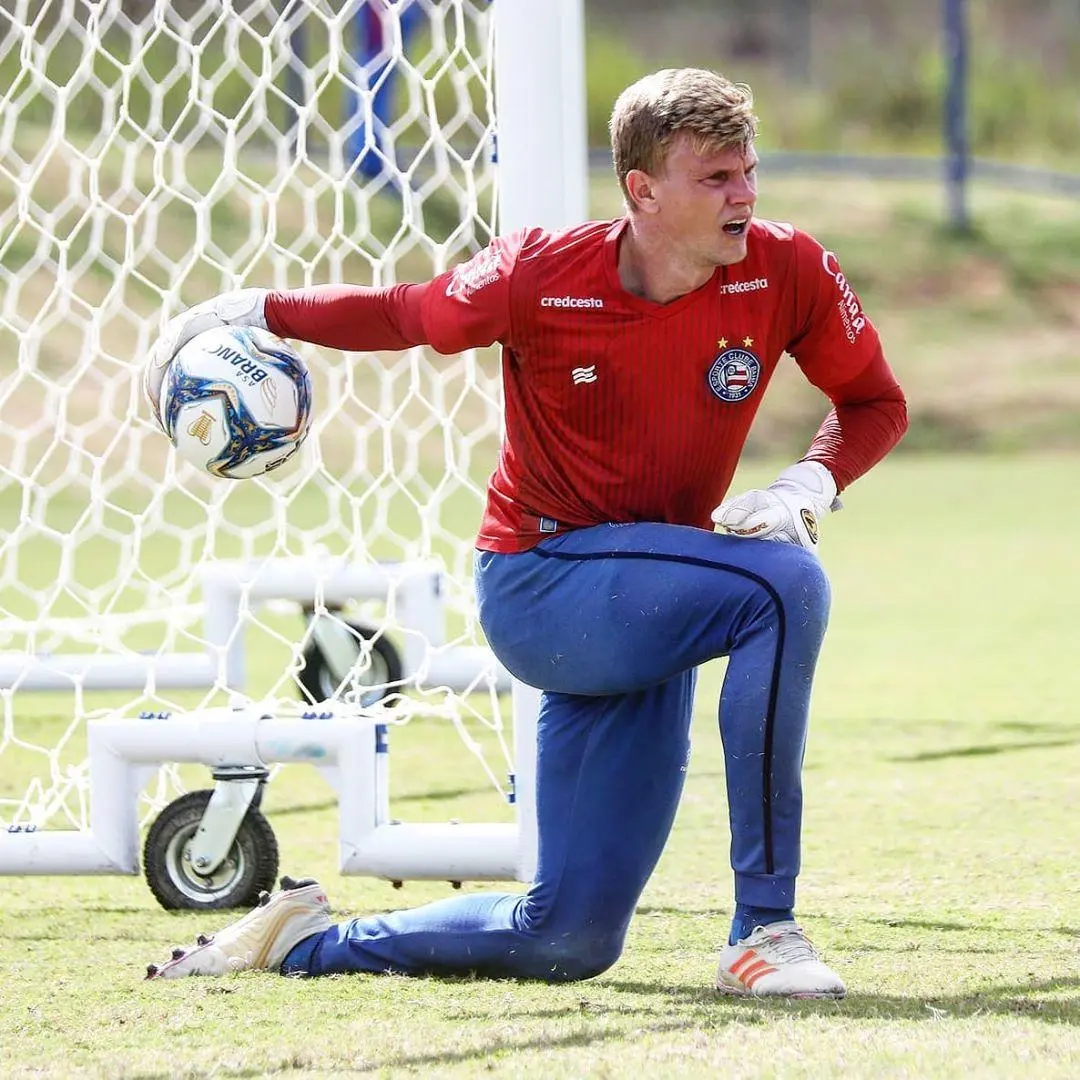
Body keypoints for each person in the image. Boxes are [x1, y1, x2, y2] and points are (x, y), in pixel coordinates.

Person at [143, 68, 907, 998]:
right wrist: (261, 311)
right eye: (715, 177)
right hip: (544, 584)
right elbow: (406, 312)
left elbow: (875, 401)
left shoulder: (788, 268)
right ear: (642, 189)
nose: (743, 194)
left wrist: (810, 482)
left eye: (748, 170)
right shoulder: (540, 273)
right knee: (784, 590)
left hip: (646, 603)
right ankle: (765, 930)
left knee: (568, 938)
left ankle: (301, 942)